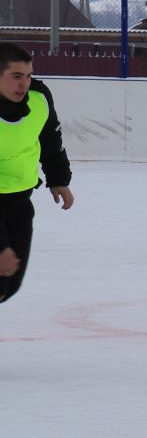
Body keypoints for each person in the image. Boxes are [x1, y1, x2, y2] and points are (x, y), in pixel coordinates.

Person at [0, 42, 75, 305]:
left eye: (29, 75)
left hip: (20, 201)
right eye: (17, 76)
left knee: (10, 285)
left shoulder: (39, 98)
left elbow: (50, 139)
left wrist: (58, 180)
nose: (25, 83)